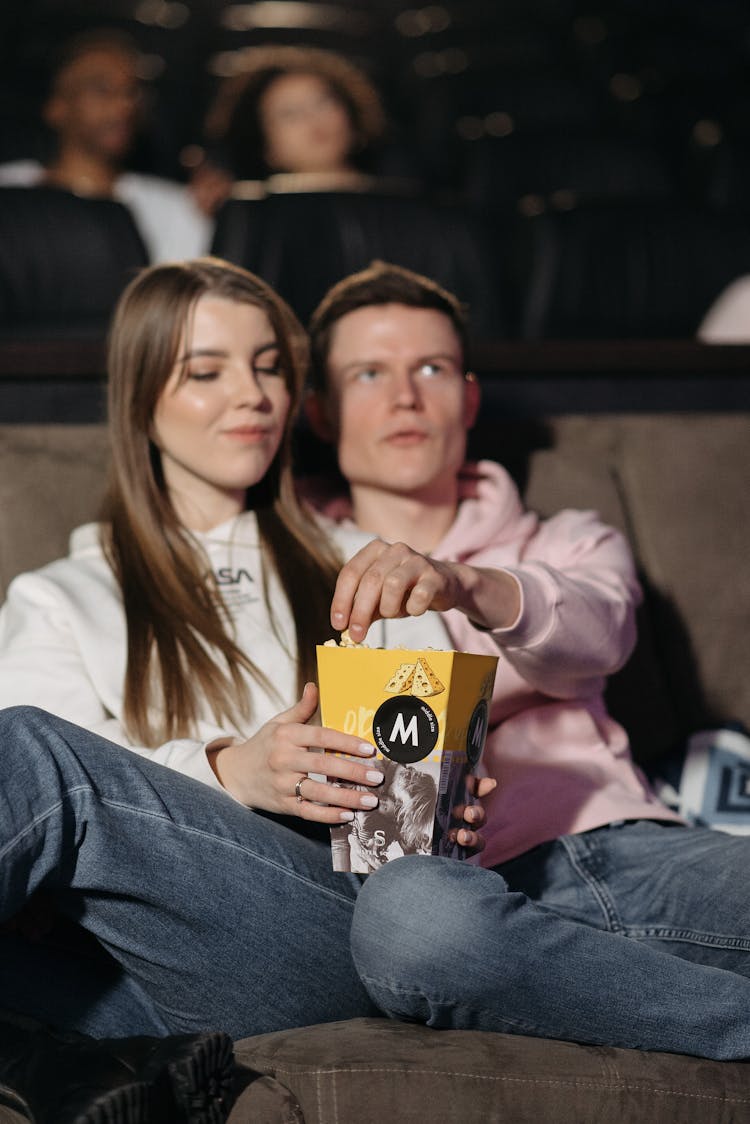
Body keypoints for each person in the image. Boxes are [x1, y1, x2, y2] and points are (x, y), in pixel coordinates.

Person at [0, 256, 477, 1118]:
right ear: (141, 397)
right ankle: (83, 1063)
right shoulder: (60, 596)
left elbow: (417, 841)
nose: (254, 394)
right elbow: (30, 847)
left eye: (268, 366)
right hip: (126, 971)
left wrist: (442, 804)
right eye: (207, 370)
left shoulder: (368, 569)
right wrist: (229, 769)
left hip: (328, 933)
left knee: (31, 748)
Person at [297, 259, 750, 1060]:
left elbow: (599, 639)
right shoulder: (281, 567)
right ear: (322, 412)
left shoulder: (566, 537)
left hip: (627, 849)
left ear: (468, 398)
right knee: (415, 924)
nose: (405, 396)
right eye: (370, 372)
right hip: (439, 901)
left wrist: (463, 585)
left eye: (430, 368)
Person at [0, 30, 212, 263]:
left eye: (132, 92)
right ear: (55, 106)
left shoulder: (178, 211)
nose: (124, 106)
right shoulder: (8, 192)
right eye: (101, 89)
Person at [195, 44, 388, 203]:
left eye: (323, 103)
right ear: (265, 144)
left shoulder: (397, 202)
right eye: (290, 114)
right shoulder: (249, 212)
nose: (312, 119)